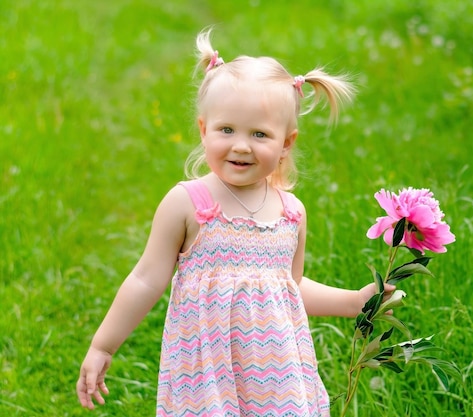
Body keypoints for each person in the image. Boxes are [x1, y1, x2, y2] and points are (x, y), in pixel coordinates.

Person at [76, 28, 394, 416]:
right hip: (205, 376)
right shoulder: (188, 203)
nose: (241, 145)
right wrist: (103, 345)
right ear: (203, 129)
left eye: (259, 134)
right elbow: (146, 278)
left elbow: (289, 287)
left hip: (277, 378)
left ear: (286, 144)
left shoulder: (291, 212)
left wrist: (353, 302)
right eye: (227, 130)